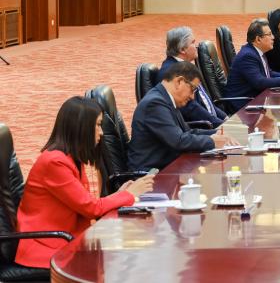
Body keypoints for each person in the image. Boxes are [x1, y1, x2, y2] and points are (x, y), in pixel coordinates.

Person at [14, 97, 155, 269]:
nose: (101, 132)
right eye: (97, 125)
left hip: (67, 237)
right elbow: (91, 208)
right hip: (47, 245)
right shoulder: (54, 162)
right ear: (80, 128)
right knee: (122, 257)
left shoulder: (71, 158)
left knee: (133, 247)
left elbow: (85, 204)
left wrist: (119, 195)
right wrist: (128, 195)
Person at [130, 62, 233, 171]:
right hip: (151, 176)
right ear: (179, 81)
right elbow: (179, 141)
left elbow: (186, 132)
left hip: (169, 167)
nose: (193, 97)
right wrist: (212, 141)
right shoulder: (155, 103)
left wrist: (216, 133)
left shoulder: (166, 98)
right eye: (192, 89)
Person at [157, 26, 226, 128]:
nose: (196, 46)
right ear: (182, 49)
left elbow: (205, 101)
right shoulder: (171, 73)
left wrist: (225, 118)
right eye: (193, 43)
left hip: (209, 123)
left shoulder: (186, 67)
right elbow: (191, 109)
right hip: (197, 128)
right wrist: (221, 126)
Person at [224, 19, 280, 111]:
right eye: (269, 34)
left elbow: (268, 73)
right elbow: (259, 82)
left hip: (255, 101)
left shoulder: (256, 52)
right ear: (258, 39)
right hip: (242, 106)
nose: (273, 37)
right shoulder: (248, 55)